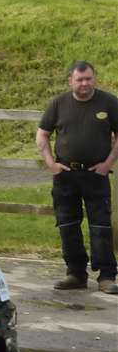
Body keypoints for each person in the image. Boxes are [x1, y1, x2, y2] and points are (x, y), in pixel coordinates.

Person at [37, 61, 118, 292]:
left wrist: (108, 163)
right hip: (66, 176)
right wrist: (52, 164)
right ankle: (75, 274)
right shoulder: (58, 103)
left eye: (89, 78)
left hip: (96, 175)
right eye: (80, 79)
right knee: (68, 225)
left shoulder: (109, 102)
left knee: (101, 225)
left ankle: (106, 276)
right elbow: (42, 135)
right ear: (70, 80)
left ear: (95, 78)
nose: (84, 83)